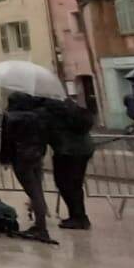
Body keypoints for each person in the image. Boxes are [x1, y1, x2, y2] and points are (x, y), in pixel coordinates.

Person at [0, 93, 51, 240]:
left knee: (33, 192)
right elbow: (44, 136)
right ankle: (40, 225)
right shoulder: (37, 115)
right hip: (36, 155)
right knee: (37, 189)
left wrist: (4, 159)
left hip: (20, 158)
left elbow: (6, 140)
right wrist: (41, 152)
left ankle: (41, 228)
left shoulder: (10, 116)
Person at [39, 94, 96, 228]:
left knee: (64, 184)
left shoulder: (49, 113)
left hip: (66, 151)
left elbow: (45, 134)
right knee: (76, 184)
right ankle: (80, 216)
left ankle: (77, 217)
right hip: (85, 148)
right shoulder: (71, 107)